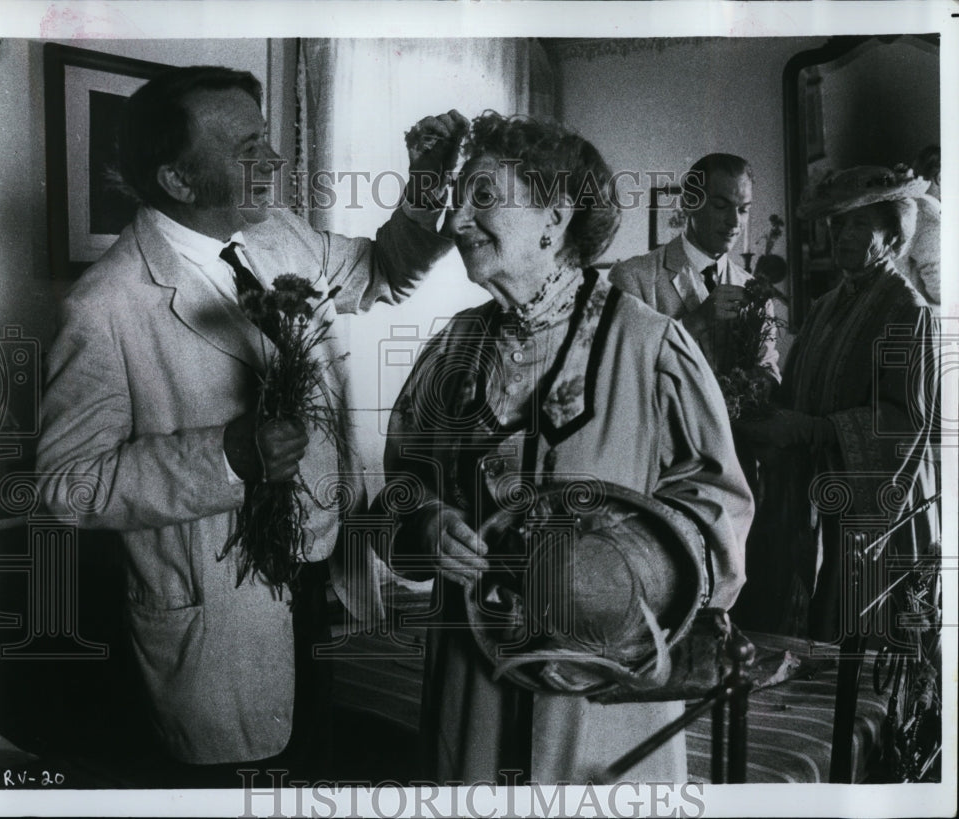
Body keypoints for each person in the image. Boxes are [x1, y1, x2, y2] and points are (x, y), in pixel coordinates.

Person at [35, 65, 467, 769]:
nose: (275, 161)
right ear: (178, 180)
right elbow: (66, 485)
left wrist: (424, 182)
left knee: (312, 758)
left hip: (317, 582)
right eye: (248, 150)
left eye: (268, 141)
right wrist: (227, 455)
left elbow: (384, 271)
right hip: (216, 620)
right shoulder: (105, 306)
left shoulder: (281, 238)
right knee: (243, 779)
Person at [376, 113, 753, 784]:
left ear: (555, 215)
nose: (457, 218)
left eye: (482, 196)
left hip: (601, 707)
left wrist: (609, 570)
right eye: (459, 198)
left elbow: (720, 523)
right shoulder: (452, 349)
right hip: (473, 698)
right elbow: (397, 490)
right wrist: (425, 522)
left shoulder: (651, 348)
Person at [734, 166, 938, 641]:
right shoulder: (825, 306)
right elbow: (795, 390)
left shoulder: (909, 312)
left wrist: (815, 431)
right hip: (811, 503)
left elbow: (904, 424)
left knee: (860, 650)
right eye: (838, 225)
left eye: (860, 226)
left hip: (873, 512)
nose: (844, 236)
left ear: (892, 238)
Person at [608, 153, 780, 382]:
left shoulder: (754, 290)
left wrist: (760, 382)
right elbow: (619, 372)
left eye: (743, 210)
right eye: (721, 206)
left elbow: (769, 371)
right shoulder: (631, 278)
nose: (734, 221)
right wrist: (696, 321)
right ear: (689, 203)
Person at [905, 145, 941, 312]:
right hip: (915, 317)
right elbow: (939, 291)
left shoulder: (911, 205)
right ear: (940, 178)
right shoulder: (930, 221)